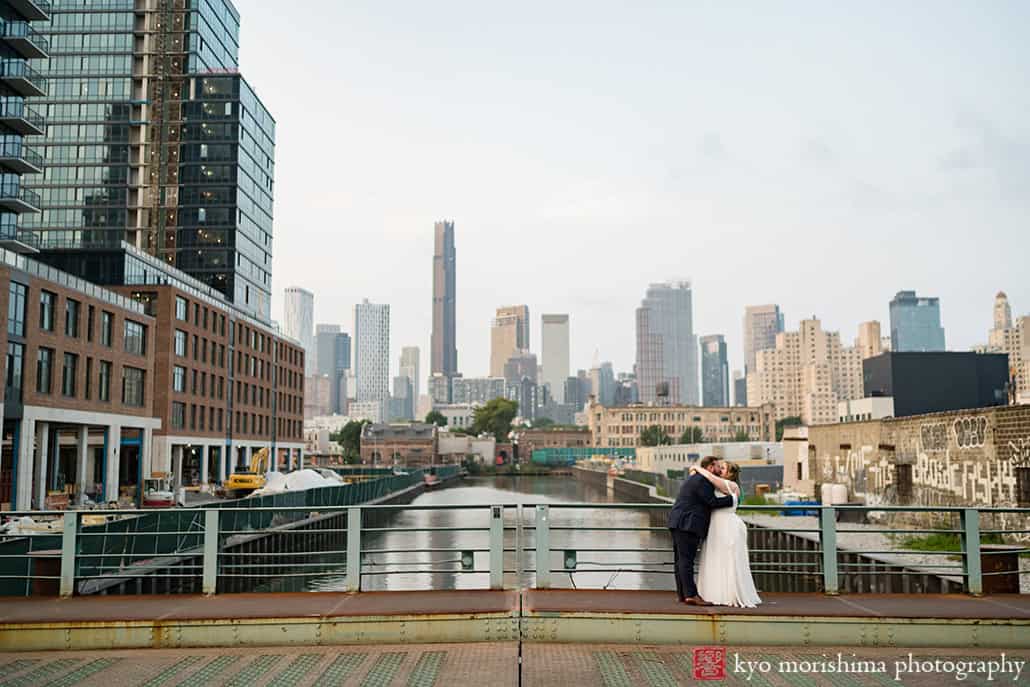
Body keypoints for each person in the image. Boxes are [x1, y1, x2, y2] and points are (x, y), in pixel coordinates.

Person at [666, 455, 736, 605]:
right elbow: (711, 502)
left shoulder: (695, 478)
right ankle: (691, 595)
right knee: (686, 561)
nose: (719, 469)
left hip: (678, 522)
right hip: (687, 524)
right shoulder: (703, 481)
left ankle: (682, 594)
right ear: (710, 467)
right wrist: (733, 499)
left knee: (680, 561)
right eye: (718, 466)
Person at [691, 461, 762, 608]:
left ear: (730, 474)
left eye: (722, 468)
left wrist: (697, 468)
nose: (719, 469)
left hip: (728, 527)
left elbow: (710, 477)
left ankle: (730, 594)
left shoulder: (732, 486)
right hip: (716, 527)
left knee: (729, 561)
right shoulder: (718, 484)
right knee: (715, 559)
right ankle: (715, 593)